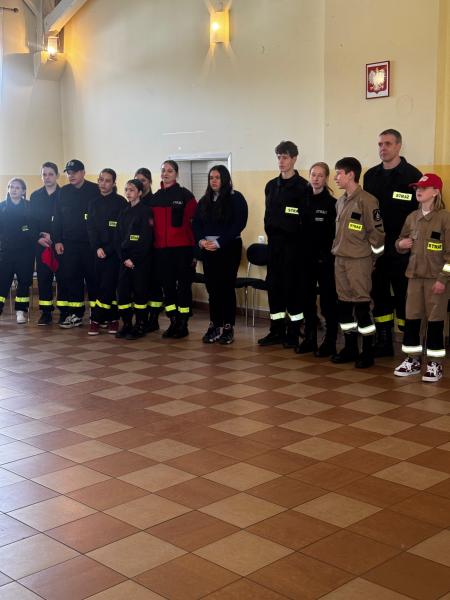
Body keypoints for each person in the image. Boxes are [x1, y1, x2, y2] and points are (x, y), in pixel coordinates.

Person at [363, 129, 422, 356]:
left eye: (387, 143)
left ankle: (409, 344)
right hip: (377, 247)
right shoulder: (371, 176)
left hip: (403, 248)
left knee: (404, 296)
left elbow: (421, 215)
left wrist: (411, 241)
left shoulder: (412, 176)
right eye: (380, 144)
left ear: (398, 146)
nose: (383, 148)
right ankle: (384, 341)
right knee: (379, 294)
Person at [394, 174, 450, 382]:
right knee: (412, 320)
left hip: (436, 280)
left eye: (424, 188)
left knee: (435, 321)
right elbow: (400, 241)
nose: (419, 191)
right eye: (417, 187)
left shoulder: (444, 218)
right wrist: (400, 245)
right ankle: (412, 360)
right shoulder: (412, 217)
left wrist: (443, 279)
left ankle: (435, 363)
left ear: (435, 192)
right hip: (414, 278)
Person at [331, 157, 385, 368]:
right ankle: (350, 347)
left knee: (362, 307)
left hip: (359, 262)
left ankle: (367, 351)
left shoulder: (367, 201)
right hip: (340, 260)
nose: (336, 177)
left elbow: (377, 235)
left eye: (339, 173)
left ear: (351, 174)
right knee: (344, 306)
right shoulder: (340, 201)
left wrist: (371, 259)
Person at [258, 140, 308, 348]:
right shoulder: (271, 186)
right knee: (274, 288)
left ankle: (294, 332)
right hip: (275, 247)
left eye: (285, 157)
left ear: (294, 159)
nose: (281, 161)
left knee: (293, 290)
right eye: (279, 157)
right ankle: (276, 330)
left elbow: (304, 221)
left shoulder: (303, 187)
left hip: (294, 248)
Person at [193, 165, 248, 344]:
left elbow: (239, 224)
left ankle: (228, 327)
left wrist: (219, 242)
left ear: (225, 179)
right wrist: (201, 241)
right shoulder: (205, 200)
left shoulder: (236, 198)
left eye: (217, 177)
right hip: (208, 249)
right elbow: (196, 224)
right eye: (211, 178)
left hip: (228, 248)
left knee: (226, 287)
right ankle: (215, 325)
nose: (214, 181)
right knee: (212, 288)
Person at [150, 160, 197, 338]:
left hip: (182, 250)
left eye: (170, 171)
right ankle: (173, 321)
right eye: (163, 170)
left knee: (183, 287)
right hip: (161, 250)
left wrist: (195, 252)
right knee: (168, 287)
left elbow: (195, 225)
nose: (166, 174)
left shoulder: (186, 196)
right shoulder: (155, 197)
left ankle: (183, 323)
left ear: (176, 174)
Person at [296, 162, 337, 356]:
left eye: (320, 175)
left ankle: (330, 341)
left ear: (326, 178)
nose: (316, 178)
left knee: (328, 302)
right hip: (305, 260)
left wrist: (326, 255)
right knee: (306, 299)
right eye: (313, 174)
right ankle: (310, 338)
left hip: (325, 261)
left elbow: (334, 235)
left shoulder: (332, 203)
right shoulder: (302, 200)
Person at [53, 159, 99, 328]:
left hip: (90, 244)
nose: (71, 175)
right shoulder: (63, 192)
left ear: (83, 173)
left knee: (93, 278)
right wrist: (57, 240)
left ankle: (97, 314)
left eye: (75, 172)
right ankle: (76, 314)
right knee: (73, 279)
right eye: (69, 173)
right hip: (69, 244)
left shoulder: (95, 190)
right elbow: (57, 218)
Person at [87, 168, 127, 335]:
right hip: (97, 252)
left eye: (107, 180)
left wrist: (108, 249)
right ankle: (112, 318)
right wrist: (97, 248)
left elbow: (121, 231)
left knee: (108, 286)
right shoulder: (93, 203)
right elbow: (91, 228)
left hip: (114, 253)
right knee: (99, 287)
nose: (103, 183)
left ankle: (96, 320)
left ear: (114, 183)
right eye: (101, 180)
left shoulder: (120, 202)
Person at [115, 179, 153, 340]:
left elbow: (146, 239)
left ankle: (140, 325)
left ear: (139, 192)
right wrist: (124, 258)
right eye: (126, 189)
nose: (128, 193)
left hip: (140, 262)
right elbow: (117, 237)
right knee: (123, 294)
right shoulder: (123, 212)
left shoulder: (145, 212)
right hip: (125, 261)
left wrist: (134, 259)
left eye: (131, 190)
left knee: (140, 294)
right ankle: (127, 324)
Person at [29, 162, 61, 325]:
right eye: (44, 174)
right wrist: (38, 237)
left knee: (63, 277)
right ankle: (46, 312)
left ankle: (65, 311)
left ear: (57, 176)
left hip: (60, 243)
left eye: (50, 174)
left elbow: (67, 220)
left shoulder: (64, 194)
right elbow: (31, 221)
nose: (47, 177)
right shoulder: (35, 196)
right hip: (41, 243)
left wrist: (54, 236)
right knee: (43, 278)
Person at [0, 178, 35, 323]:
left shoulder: (29, 207)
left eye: (17, 187)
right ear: (8, 189)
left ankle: (20, 312)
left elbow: (33, 227)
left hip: (25, 252)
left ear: (23, 191)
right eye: (11, 187)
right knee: (2, 281)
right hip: (6, 251)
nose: (14, 190)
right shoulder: (1, 207)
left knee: (24, 282)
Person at [134, 167, 163, 332]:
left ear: (150, 182)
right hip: (137, 253)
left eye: (143, 180)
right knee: (139, 287)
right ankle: (141, 319)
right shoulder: (133, 202)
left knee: (154, 286)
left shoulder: (155, 201)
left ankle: (154, 318)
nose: (140, 183)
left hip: (153, 251)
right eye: (137, 180)